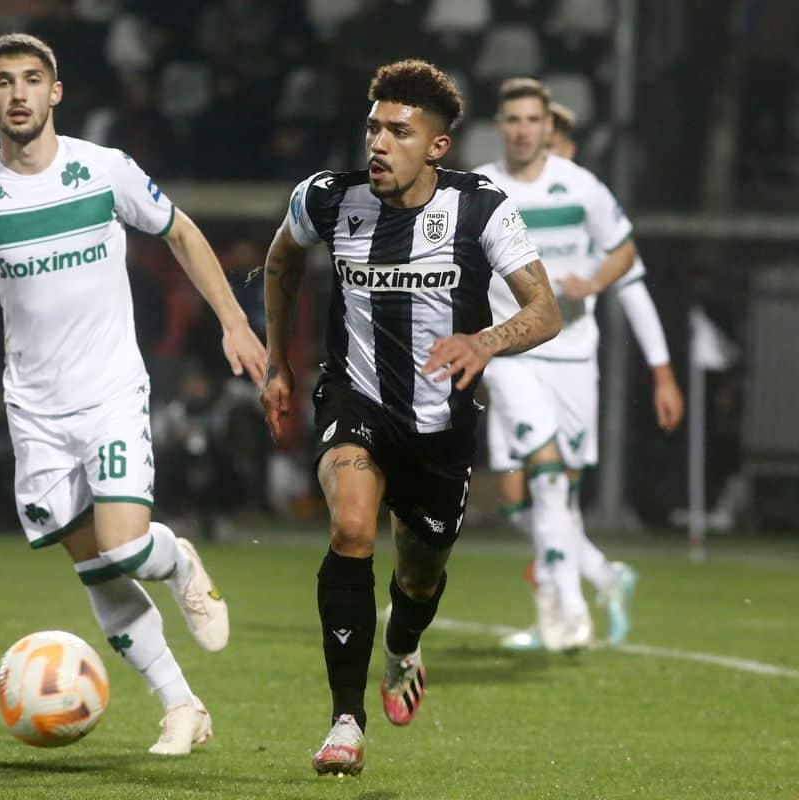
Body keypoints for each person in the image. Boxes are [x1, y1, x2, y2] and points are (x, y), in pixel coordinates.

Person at [0, 33, 265, 755]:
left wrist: (234, 321)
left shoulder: (103, 169)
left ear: (55, 92)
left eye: (32, 79)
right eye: (3, 82)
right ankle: (182, 707)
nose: (18, 93)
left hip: (110, 390)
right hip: (34, 410)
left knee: (124, 547)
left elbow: (180, 232)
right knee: (94, 566)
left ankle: (178, 562)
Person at [260, 60, 561, 776]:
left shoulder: (479, 207)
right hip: (355, 398)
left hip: (441, 423)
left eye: (399, 131)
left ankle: (403, 645)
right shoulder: (326, 198)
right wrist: (276, 360)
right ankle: (345, 721)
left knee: (420, 577)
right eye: (374, 127)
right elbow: (281, 262)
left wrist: (483, 342)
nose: (378, 143)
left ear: (436, 146)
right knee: (351, 526)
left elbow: (546, 310)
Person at [494, 101, 684, 650]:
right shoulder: (501, 195)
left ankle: (558, 610)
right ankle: (597, 577)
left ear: (566, 148)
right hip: (514, 360)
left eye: (551, 138)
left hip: (572, 364)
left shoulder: (584, 199)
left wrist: (662, 373)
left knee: (555, 492)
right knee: (520, 497)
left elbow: (633, 286)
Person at [472, 78, 644, 653]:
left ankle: (588, 586)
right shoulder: (482, 188)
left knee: (558, 492)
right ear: (500, 126)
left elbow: (624, 248)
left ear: (548, 127)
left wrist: (592, 282)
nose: (523, 130)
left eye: (533, 120)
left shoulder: (580, 185)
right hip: (511, 353)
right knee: (541, 480)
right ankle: (569, 609)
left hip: (573, 353)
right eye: (513, 119)